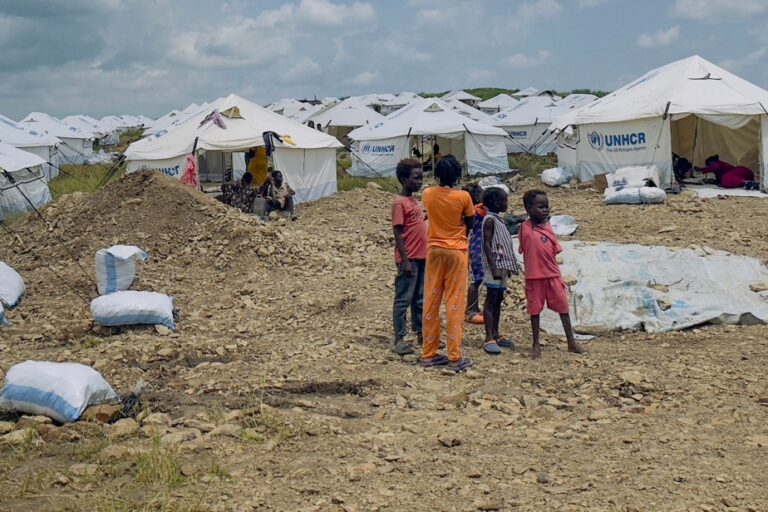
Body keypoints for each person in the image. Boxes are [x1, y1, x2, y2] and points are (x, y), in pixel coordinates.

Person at [421, 155, 475, 371]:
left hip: (434, 250)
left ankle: (429, 353)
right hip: (456, 251)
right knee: (454, 303)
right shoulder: (463, 197)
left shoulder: (427, 193)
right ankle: (454, 356)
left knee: (431, 301)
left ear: (437, 175)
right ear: (457, 176)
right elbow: (470, 222)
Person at [518, 190, 584, 359]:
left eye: (547, 207)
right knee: (534, 311)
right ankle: (535, 343)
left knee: (563, 307)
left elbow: (554, 250)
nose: (545, 210)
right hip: (534, 277)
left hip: (552, 275)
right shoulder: (524, 228)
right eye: (541, 207)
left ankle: (571, 342)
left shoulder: (548, 229)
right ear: (528, 208)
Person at [391, 159, 427, 356]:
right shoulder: (400, 203)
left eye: (421, 177)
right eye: (416, 178)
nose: (420, 181)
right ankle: (399, 338)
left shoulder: (414, 200)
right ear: (404, 179)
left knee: (420, 298)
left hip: (422, 256)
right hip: (410, 258)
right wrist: (404, 259)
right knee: (403, 299)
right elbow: (397, 231)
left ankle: (422, 334)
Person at [480, 187, 521, 355]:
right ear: (496, 203)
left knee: (498, 300)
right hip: (494, 267)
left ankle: (496, 334)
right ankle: (489, 336)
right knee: (490, 301)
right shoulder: (489, 220)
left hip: (501, 266)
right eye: (504, 201)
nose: (507, 204)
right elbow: (487, 244)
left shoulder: (499, 220)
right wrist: (494, 267)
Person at [463, 183, 487, 325]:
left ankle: (473, 308)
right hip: (477, 249)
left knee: (476, 280)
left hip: (475, 247)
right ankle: (471, 310)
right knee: (476, 280)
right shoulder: (479, 210)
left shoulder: (468, 211)